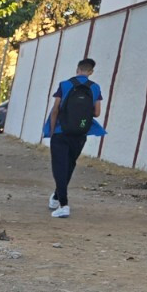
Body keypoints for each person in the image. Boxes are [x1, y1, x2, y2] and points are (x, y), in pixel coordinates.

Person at [43, 57, 106, 218]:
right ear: (90, 72)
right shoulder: (95, 88)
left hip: (60, 131)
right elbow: (97, 112)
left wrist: (51, 130)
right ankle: (57, 196)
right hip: (80, 134)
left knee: (59, 167)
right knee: (69, 166)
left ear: (77, 69)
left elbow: (56, 109)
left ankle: (64, 205)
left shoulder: (65, 85)